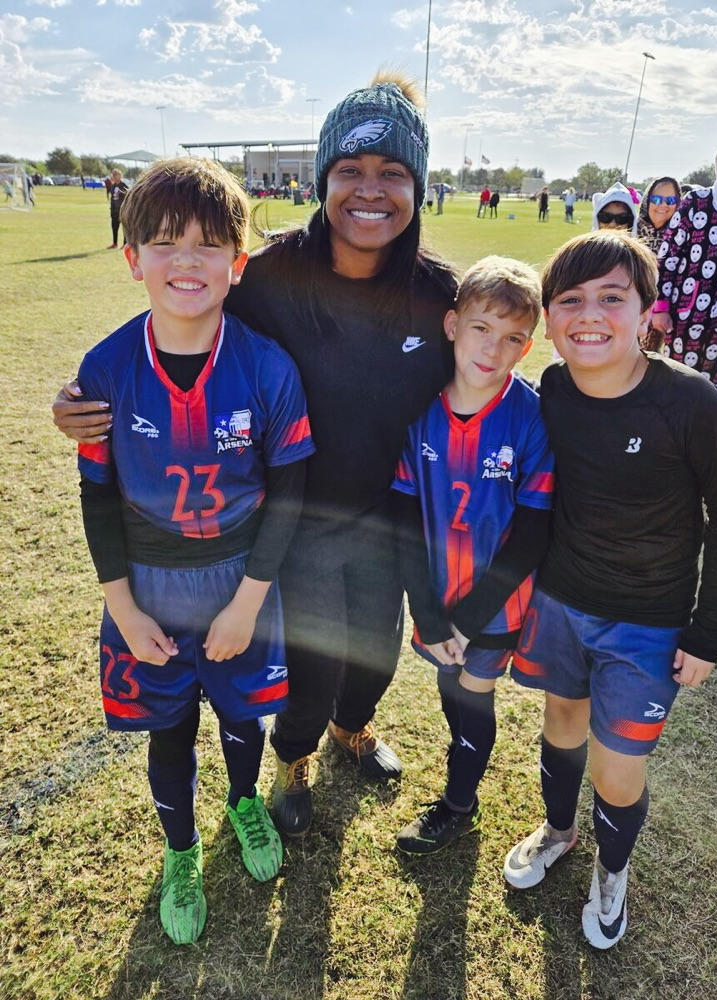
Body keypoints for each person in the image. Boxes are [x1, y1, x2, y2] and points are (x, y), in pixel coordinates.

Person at [52, 73, 457, 839]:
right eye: (350, 171)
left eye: (393, 174)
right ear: (322, 179)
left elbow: (489, 374)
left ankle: (352, 731)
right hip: (287, 520)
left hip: (383, 520)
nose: (369, 191)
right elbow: (179, 316)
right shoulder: (266, 276)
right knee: (309, 674)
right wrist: (78, 402)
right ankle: (294, 759)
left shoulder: (440, 296)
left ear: (419, 187)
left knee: (373, 659)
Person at [74, 157, 315, 945]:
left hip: (241, 583)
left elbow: (289, 494)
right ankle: (181, 851)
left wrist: (248, 603)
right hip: (147, 590)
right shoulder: (106, 370)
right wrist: (122, 607)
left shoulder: (266, 367)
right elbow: (98, 498)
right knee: (170, 730)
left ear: (238, 264)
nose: (188, 261)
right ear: (132, 257)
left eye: (210, 245)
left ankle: (243, 802)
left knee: (242, 722)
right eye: (167, 242)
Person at [503, 230, 717, 949]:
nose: (590, 315)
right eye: (570, 300)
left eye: (613, 298)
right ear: (549, 318)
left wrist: (706, 637)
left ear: (647, 311)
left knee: (617, 767)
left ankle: (612, 869)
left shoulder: (693, 404)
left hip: (647, 623)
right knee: (561, 725)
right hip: (560, 602)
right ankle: (558, 830)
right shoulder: (550, 390)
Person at [392, 256, 554, 855]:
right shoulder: (419, 407)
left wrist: (468, 617)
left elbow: (533, 531)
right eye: (482, 328)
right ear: (453, 324)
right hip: (437, 592)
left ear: (527, 346)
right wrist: (431, 614)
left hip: (495, 605)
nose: (493, 348)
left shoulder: (530, 415)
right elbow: (404, 516)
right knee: (449, 684)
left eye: (512, 338)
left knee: (473, 692)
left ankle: (458, 803)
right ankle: (464, 783)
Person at [650, 129, 717, 399]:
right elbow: (668, 257)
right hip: (686, 316)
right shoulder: (696, 203)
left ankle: (706, 441)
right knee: (676, 386)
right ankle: (671, 441)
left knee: (715, 393)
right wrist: (660, 307)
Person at [636, 175, 681, 350]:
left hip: (663, 313)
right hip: (629, 310)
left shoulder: (682, 235)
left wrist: (659, 308)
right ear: (647, 201)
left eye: (670, 200)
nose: (663, 205)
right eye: (656, 199)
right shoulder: (632, 229)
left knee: (648, 362)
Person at [108, 168, 128, 249]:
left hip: (122, 210)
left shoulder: (124, 186)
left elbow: (128, 197)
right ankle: (115, 243)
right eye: (113, 175)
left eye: (116, 174)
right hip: (114, 210)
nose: (114, 176)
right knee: (114, 227)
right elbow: (112, 198)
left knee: (124, 228)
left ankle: (125, 244)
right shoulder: (113, 186)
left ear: (120, 176)